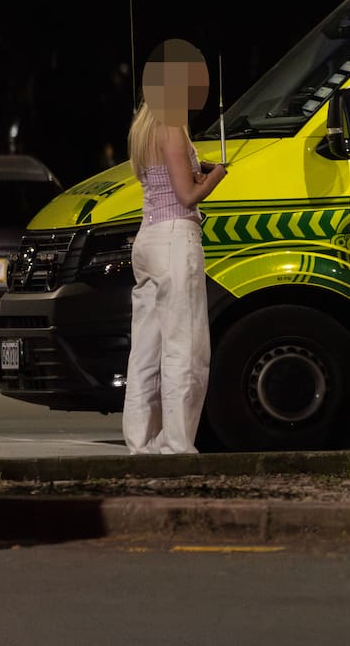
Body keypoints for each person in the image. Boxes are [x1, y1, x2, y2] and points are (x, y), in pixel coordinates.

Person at [122, 39, 228, 454]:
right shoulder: (172, 126)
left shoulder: (142, 127)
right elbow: (187, 195)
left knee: (145, 349)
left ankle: (141, 441)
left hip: (147, 239)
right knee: (185, 346)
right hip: (175, 240)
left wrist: (193, 169)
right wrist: (216, 175)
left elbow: (164, 182)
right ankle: (179, 445)